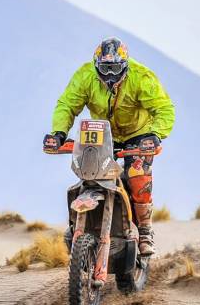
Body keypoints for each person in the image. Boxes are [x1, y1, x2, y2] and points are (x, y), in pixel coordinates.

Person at [44, 37, 175, 255]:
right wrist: (59, 133)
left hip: (139, 135)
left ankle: (144, 230)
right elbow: (67, 104)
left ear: (125, 65)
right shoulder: (85, 76)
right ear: (96, 65)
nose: (110, 74)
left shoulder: (142, 77)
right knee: (89, 173)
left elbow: (164, 109)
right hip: (102, 134)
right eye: (105, 68)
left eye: (115, 68)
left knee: (137, 174)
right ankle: (77, 227)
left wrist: (155, 134)